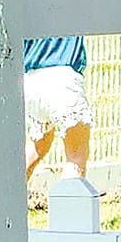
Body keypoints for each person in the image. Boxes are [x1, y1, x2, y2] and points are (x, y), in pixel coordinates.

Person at [22, 33, 92, 184]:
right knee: (76, 157)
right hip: (63, 77)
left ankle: (6, 200)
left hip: (30, 78)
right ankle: (68, 206)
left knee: (38, 145)